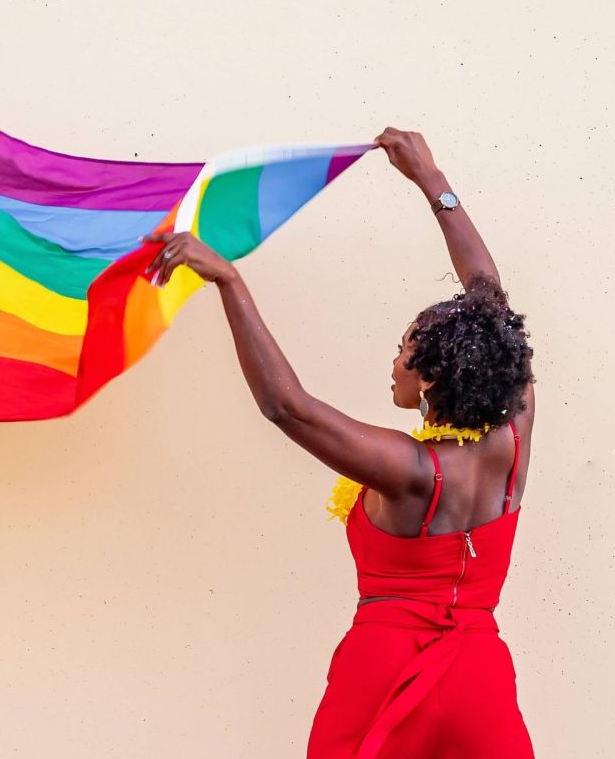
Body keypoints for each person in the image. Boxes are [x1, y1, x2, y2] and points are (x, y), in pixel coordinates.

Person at [142, 127, 536, 758]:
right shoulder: (513, 432)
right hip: (479, 677)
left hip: (380, 671)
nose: (395, 361)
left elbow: (287, 406)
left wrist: (229, 283)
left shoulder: (411, 470)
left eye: (404, 349)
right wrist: (432, 181)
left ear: (431, 377)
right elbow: (488, 295)